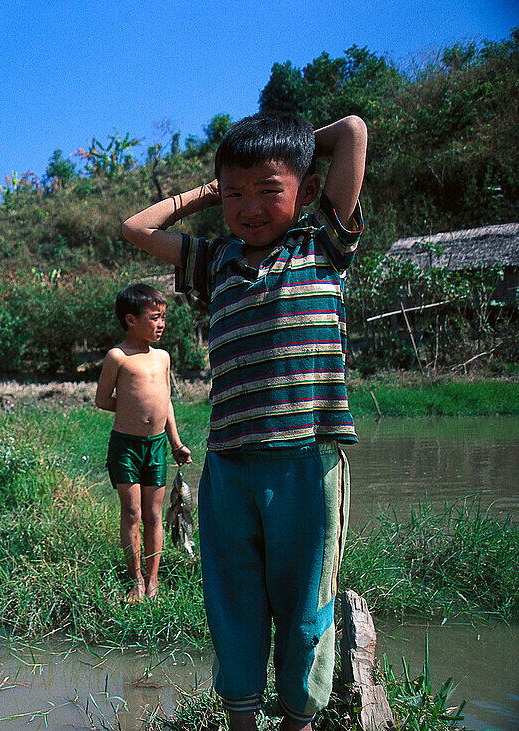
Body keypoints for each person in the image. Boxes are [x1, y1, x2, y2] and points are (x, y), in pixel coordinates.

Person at [121, 112, 368, 731]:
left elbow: (355, 133)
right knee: (232, 603)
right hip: (229, 463)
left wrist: (292, 148)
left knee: (306, 605)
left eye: (268, 189)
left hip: (307, 458)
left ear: (306, 193)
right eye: (236, 193)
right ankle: (240, 721)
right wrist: (212, 187)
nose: (249, 207)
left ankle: (298, 721)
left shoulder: (324, 245)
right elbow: (136, 228)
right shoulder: (216, 261)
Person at [95, 283, 192, 604]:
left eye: (163, 317)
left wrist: (176, 443)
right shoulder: (117, 357)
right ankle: (135, 578)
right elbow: (102, 399)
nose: (161, 324)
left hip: (156, 448)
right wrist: (132, 411)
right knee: (133, 513)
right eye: (154, 318)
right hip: (126, 446)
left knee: (154, 514)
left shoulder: (162, 358)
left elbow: (166, 403)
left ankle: (153, 580)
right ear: (130, 320)